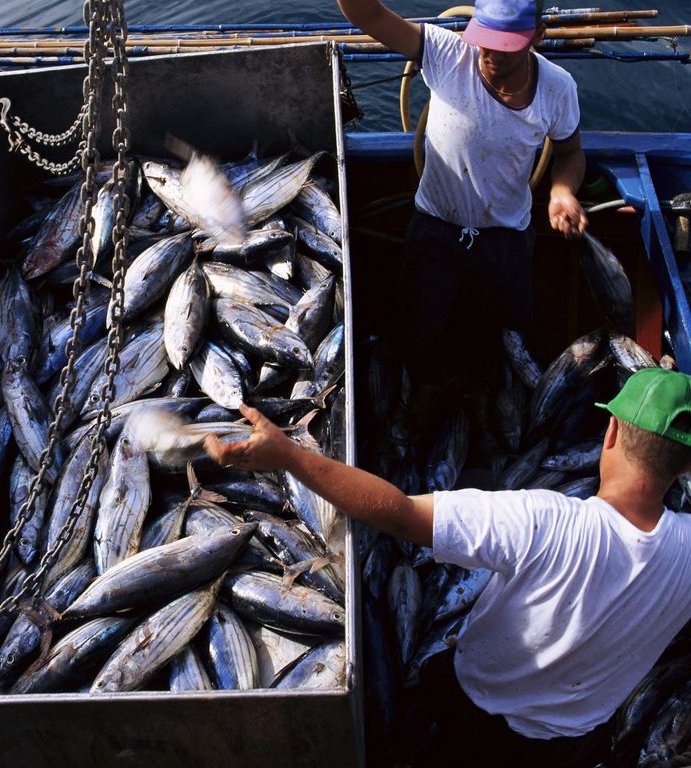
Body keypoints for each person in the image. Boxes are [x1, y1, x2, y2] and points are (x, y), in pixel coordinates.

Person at [204, 367, 691, 768]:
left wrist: (288, 454)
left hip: (476, 720)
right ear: (683, 469)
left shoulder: (546, 521)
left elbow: (399, 512)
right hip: (571, 749)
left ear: (609, 432)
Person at [337, 0, 588, 387]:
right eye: (485, 41)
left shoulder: (558, 88)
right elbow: (367, 15)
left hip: (507, 240)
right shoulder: (447, 53)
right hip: (435, 231)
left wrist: (562, 191)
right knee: (419, 333)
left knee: (506, 344)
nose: (490, 55)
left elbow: (569, 153)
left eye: (506, 46)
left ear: (538, 36)